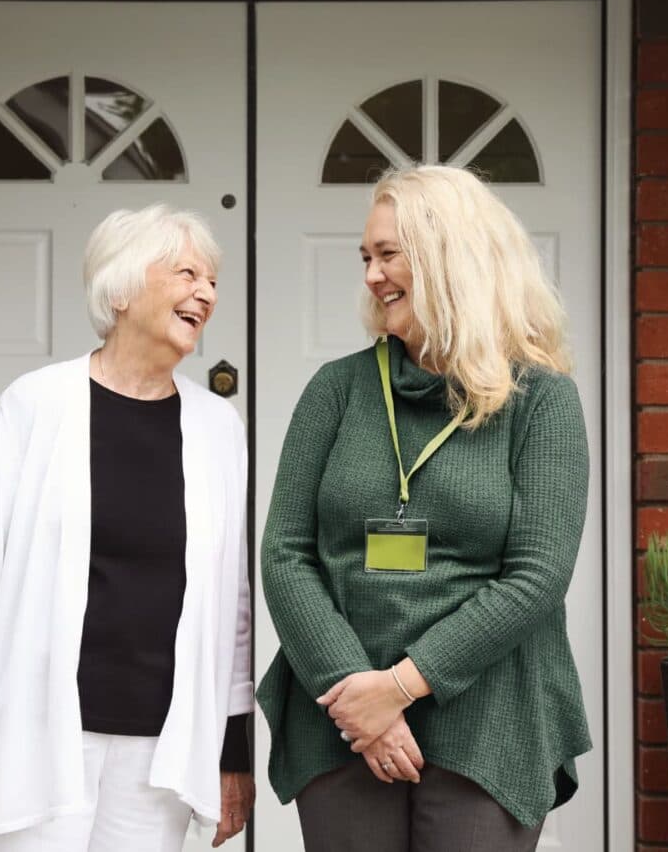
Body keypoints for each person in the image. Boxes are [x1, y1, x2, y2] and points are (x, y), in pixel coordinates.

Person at [257, 165, 591, 852]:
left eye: (388, 255)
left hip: (490, 715)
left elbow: (537, 575)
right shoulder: (337, 389)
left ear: (451, 258)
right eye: (367, 258)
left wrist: (402, 687)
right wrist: (360, 696)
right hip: (340, 710)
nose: (373, 276)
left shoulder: (542, 399)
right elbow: (286, 552)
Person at [0, 203, 254, 850]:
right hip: (37, 736)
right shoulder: (35, 404)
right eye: (186, 273)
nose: (206, 293)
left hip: (164, 751)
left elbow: (231, 607)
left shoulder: (217, 427)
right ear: (121, 289)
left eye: (212, 280)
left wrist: (230, 749)